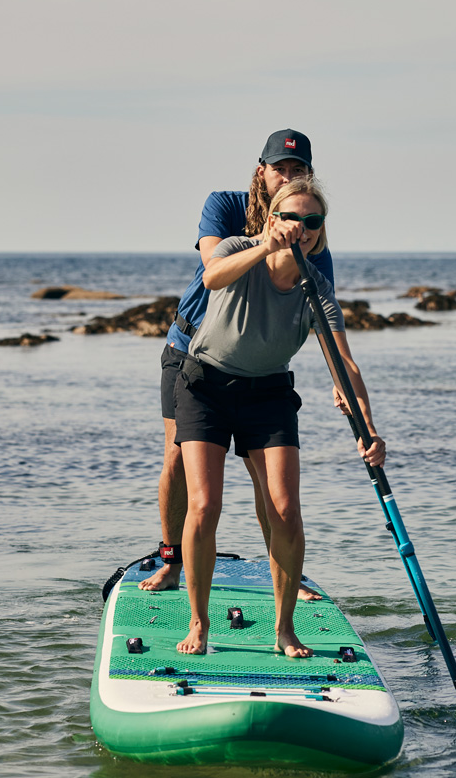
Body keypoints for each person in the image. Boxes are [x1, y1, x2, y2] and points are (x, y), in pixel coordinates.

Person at [172, 176, 386, 657]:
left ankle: (284, 628)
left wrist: (369, 429)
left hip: (268, 393)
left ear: (320, 230)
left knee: (285, 509)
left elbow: (343, 361)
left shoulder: (316, 286)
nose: (302, 227)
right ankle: (199, 622)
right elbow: (212, 277)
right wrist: (264, 245)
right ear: (272, 218)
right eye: (292, 217)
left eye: (313, 221)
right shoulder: (236, 247)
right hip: (204, 384)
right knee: (205, 506)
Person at [139, 129, 335, 597]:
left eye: (297, 170)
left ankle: (287, 576)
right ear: (261, 171)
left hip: (252, 370)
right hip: (191, 351)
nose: (287, 176)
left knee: (267, 480)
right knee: (177, 460)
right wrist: (267, 242)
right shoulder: (225, 206)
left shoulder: (311, 229)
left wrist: (340, 380)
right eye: (279, 168)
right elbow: (213, 269)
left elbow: (317, 311)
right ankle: (171, 560)